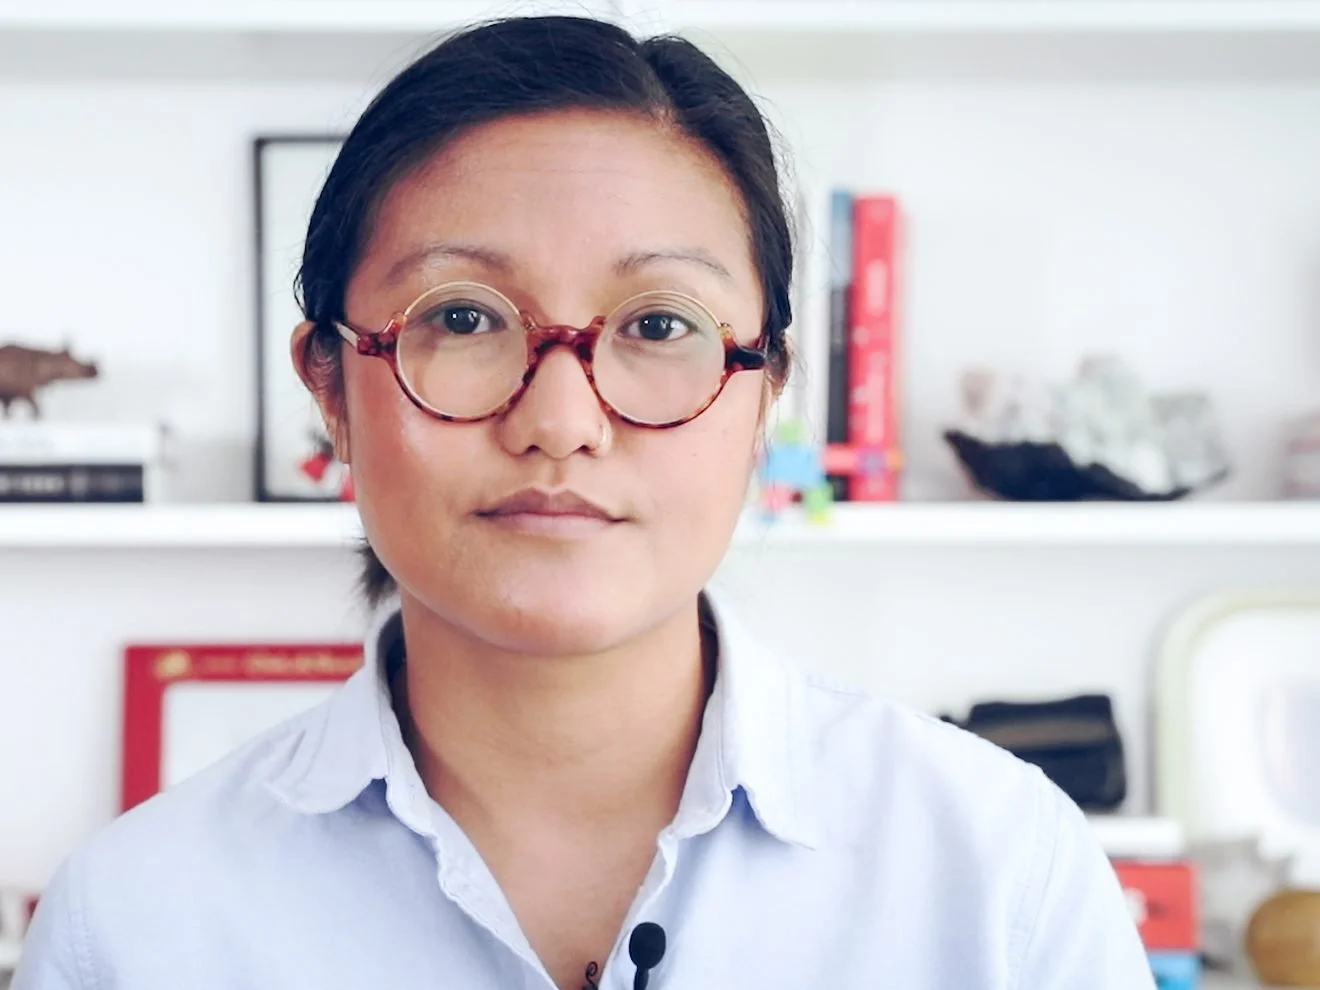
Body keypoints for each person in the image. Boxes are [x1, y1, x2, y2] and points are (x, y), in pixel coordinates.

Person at [14, 15, 1154, 990]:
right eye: (462, 318)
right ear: (331, 389)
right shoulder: (135, 924)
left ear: (767, 392)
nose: (560, 420)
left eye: (659, 324)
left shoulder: (1000, 875)